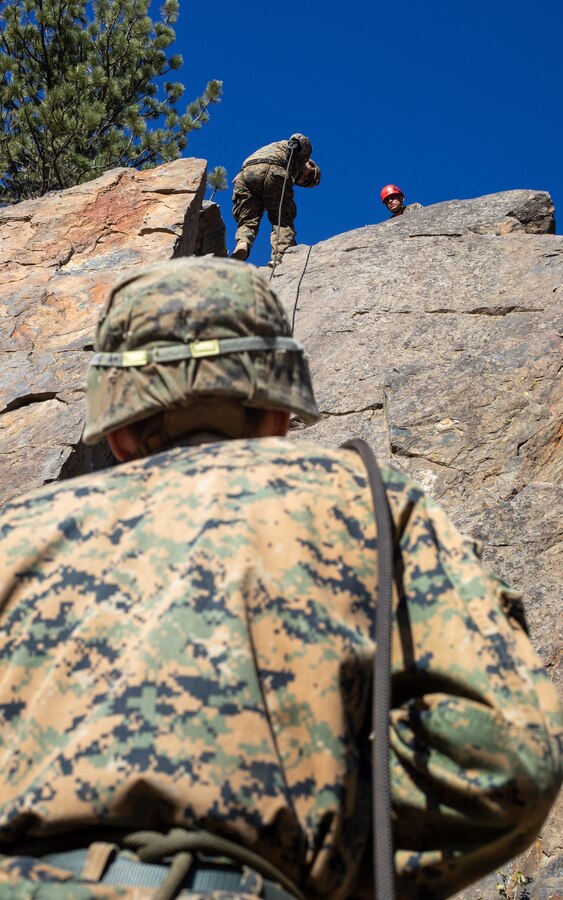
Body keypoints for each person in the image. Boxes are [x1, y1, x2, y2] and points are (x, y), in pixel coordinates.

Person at [0, 257, 560, 900]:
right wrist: (321, 844)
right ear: (278, 413)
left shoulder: (15, 531)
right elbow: (509, 761)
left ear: (119, 431)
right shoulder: (361, 501)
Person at [231, 134, 321, 268]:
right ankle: (281, 255)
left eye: (306, 182)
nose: (304, 179)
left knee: (248, 217)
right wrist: (298, 144)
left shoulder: (284, 152)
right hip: (273, 168)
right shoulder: (301, 155)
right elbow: (301, 139)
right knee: (283, 218)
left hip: (245, 174)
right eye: (310, 175)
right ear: (309, 163)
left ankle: (243, 243)